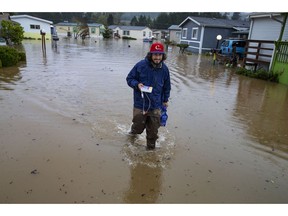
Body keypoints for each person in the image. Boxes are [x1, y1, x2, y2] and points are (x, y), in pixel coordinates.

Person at [126, 42, 171, 150]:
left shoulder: (165, 69)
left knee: (153, 133)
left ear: (163, 56)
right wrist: (137, 85)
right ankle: (131, 137)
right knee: (138, 128)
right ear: (150, 54)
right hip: (140, 104)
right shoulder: (140, 65)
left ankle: (150, 152)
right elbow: (129, 79)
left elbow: (167, 86)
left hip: (156, 105)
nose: (157, 57)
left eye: (160, 55)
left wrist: (165, 100)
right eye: (155, 54)